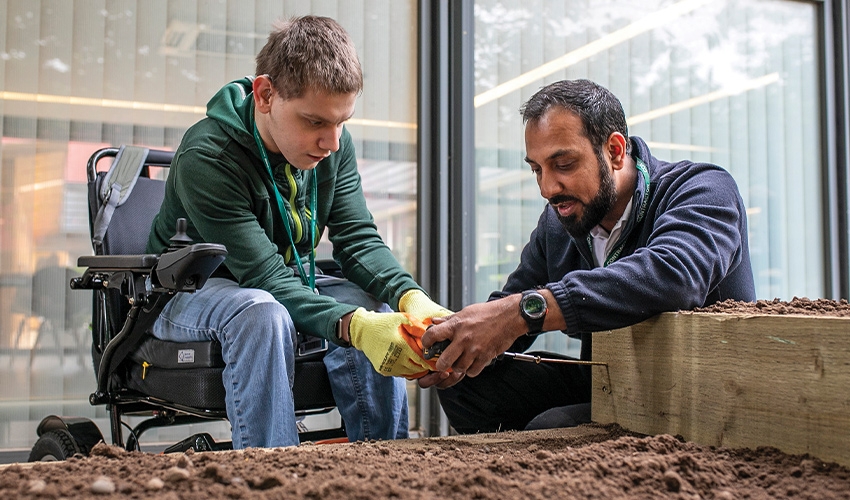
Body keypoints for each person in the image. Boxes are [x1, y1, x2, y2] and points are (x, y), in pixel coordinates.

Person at [146, 15, 448, 449]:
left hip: (278, 283)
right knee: (260, 312)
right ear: (265, 94)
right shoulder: (207, 156)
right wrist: (355, 329)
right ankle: (275, 473)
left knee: (370, 303)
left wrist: (410, 298)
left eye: (341, 121)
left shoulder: (333, 148)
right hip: (188, 293)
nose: (332, 142)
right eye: (315, 122)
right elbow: (263, 279)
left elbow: (357, 239)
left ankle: (385, 461)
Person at [419, 79, 756, 433]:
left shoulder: (703, 190)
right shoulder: (560, 221)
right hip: (613, 383)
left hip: (703, 397)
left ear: (614, 150)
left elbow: (674, 274)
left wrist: (524, 312)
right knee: (467, 383)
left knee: (549, 427)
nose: (547, 188)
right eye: (536, 170)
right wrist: (450, 343)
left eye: (563, 164)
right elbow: (509, 312)